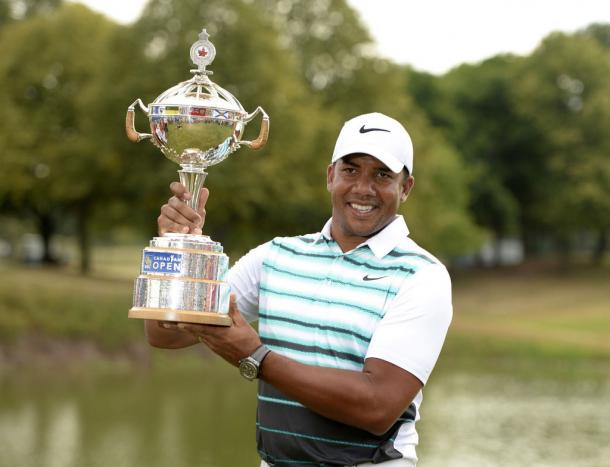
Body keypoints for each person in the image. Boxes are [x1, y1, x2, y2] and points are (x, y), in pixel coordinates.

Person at [146, 112, 453, 467]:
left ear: (406, 187)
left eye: (382, 174)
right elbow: (164, 333)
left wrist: (258, 358)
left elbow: (377, 406)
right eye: (351, 170)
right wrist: (178, 250)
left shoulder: (422, 276)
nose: (363, 188)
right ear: (330, 176)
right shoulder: (275, 255)